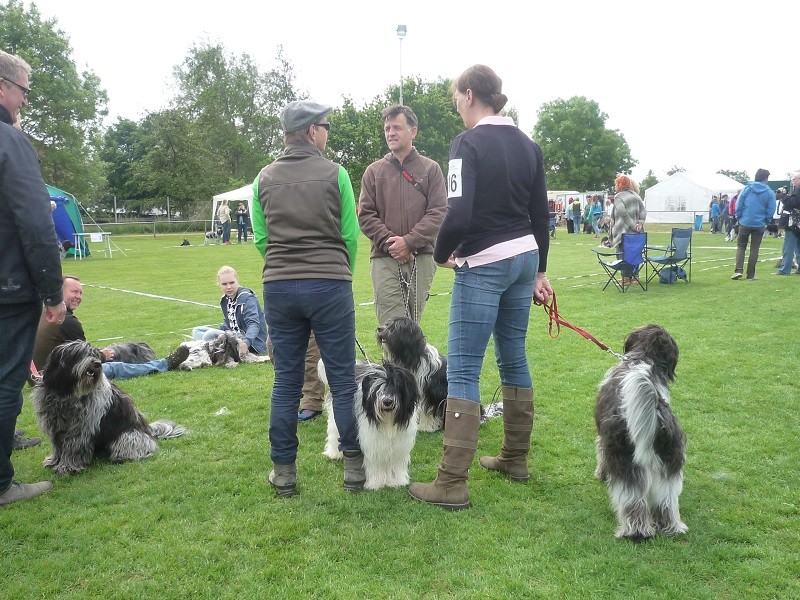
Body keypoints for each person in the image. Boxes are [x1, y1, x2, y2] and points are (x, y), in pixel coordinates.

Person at [408, 65, 553, 511]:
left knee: (465, 368)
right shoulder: (529, 145)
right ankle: (514, 458)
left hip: (486, 262)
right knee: (514, 357)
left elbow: (460, 213)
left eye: (456, 97)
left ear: (470, 95)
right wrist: (540, 271)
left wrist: (439, 254)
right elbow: (539, 216)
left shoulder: (466, 144)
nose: (455, 104)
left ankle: (451, 482)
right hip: (525, 259)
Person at [251, 100, 361, 497]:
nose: (327, 132)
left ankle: (284, 472)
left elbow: (262, 239)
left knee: (286, 382)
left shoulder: (262, 179)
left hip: (279, 285)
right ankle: (354, 466)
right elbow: (350, 235)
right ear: (312, 131)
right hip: (330, 283)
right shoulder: (338, 174)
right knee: (344, 380)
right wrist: (336, 269)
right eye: (326, 125)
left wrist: (285, 267)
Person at [1, 50, 66, 505]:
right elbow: (35, 224)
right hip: (8, 285)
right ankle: (2, 483)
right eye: (24, 90)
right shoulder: (10, 142)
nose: (25, 100)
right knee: (7, 379)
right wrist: (52, 290)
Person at [358, 105, 447, 324]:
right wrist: (393, 245)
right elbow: (366, 215)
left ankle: (411, 361)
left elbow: (438, 212)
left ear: (413, 131)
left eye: (397, 127)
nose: (390, 133)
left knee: (411, 328)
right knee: (392, 327)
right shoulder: (373, 171)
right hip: (384, 257)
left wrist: (409, 242)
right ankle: (392, 361)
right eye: (387, 128)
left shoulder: (431, 169)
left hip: (422, 257)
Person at [33, 276, 189, 379]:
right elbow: (86, 358)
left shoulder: (44, 312)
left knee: (108, 353)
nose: (78, 297)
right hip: (57, 377)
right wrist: (101, 355)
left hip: (40, 374)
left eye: (80, 293)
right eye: (74, 291)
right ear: (60, 292)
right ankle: (164, 364)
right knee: (116, 368)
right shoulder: (67, 321)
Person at [192, 265, 268, 357]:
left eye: (231, 283)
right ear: (219, 284)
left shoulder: (247, 298)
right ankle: (212, 347)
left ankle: (207, 349)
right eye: (224, 284)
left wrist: (246, 343)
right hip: (232, 336)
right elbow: (228, 324)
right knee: (197, 331)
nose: (228, 287)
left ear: (237, 281)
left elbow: (254, 324)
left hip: (251, 342)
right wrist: (219, 332)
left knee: (209, 335)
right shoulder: (225, 300)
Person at [732, 168, 776, 280]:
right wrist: (766, 220)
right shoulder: (769, 192)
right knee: (754, 248)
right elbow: (771, 209)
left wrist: (739, 216)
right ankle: (751, 275)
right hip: (759, 224)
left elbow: (739, 204)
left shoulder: (747, 189)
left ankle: (738, 271)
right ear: (766, 178)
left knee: (741, 246)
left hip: (745, 222)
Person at [606, 175, 646, 248]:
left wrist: (633, 226)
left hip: (622, 233)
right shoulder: (636, 195)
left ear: (620, 185)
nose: (615, 186)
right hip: (636, 232)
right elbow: (643, 210)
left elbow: (623, 214)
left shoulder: (618, 197)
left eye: (616, 184)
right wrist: (640, 223)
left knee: (622, 257)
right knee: (634, 256)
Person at [775, 173, 800, 276]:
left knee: (788, 246)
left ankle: (785, 269)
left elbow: (794, 203)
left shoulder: (797, 190)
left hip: (794, 223)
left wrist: (784, 196)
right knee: (798, 247)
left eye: (794, 179)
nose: (793, 181)